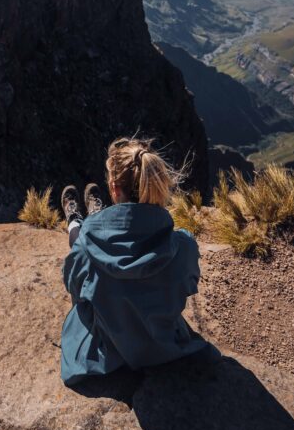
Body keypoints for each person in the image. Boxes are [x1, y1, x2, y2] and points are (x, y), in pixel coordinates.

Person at [59, 136, 214, 387]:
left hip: (107, 351)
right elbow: (189, 284)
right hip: (166, 346)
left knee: (82, 239)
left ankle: (78, 222)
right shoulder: (183, 247)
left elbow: (74, 290)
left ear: (114, 188)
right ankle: (88, 219)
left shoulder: (84, 252)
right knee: (84, 242)